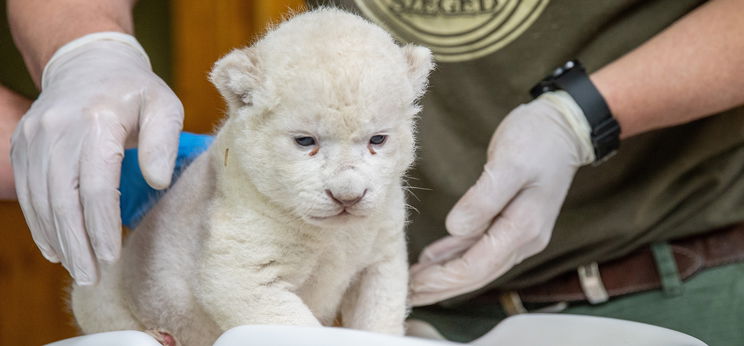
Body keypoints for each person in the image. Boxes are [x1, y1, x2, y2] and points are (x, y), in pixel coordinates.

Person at [4, 0, 744, 344]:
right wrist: (85, 47)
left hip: (678, 270)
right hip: (431, 316)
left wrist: (583, 115)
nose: (352, 184)